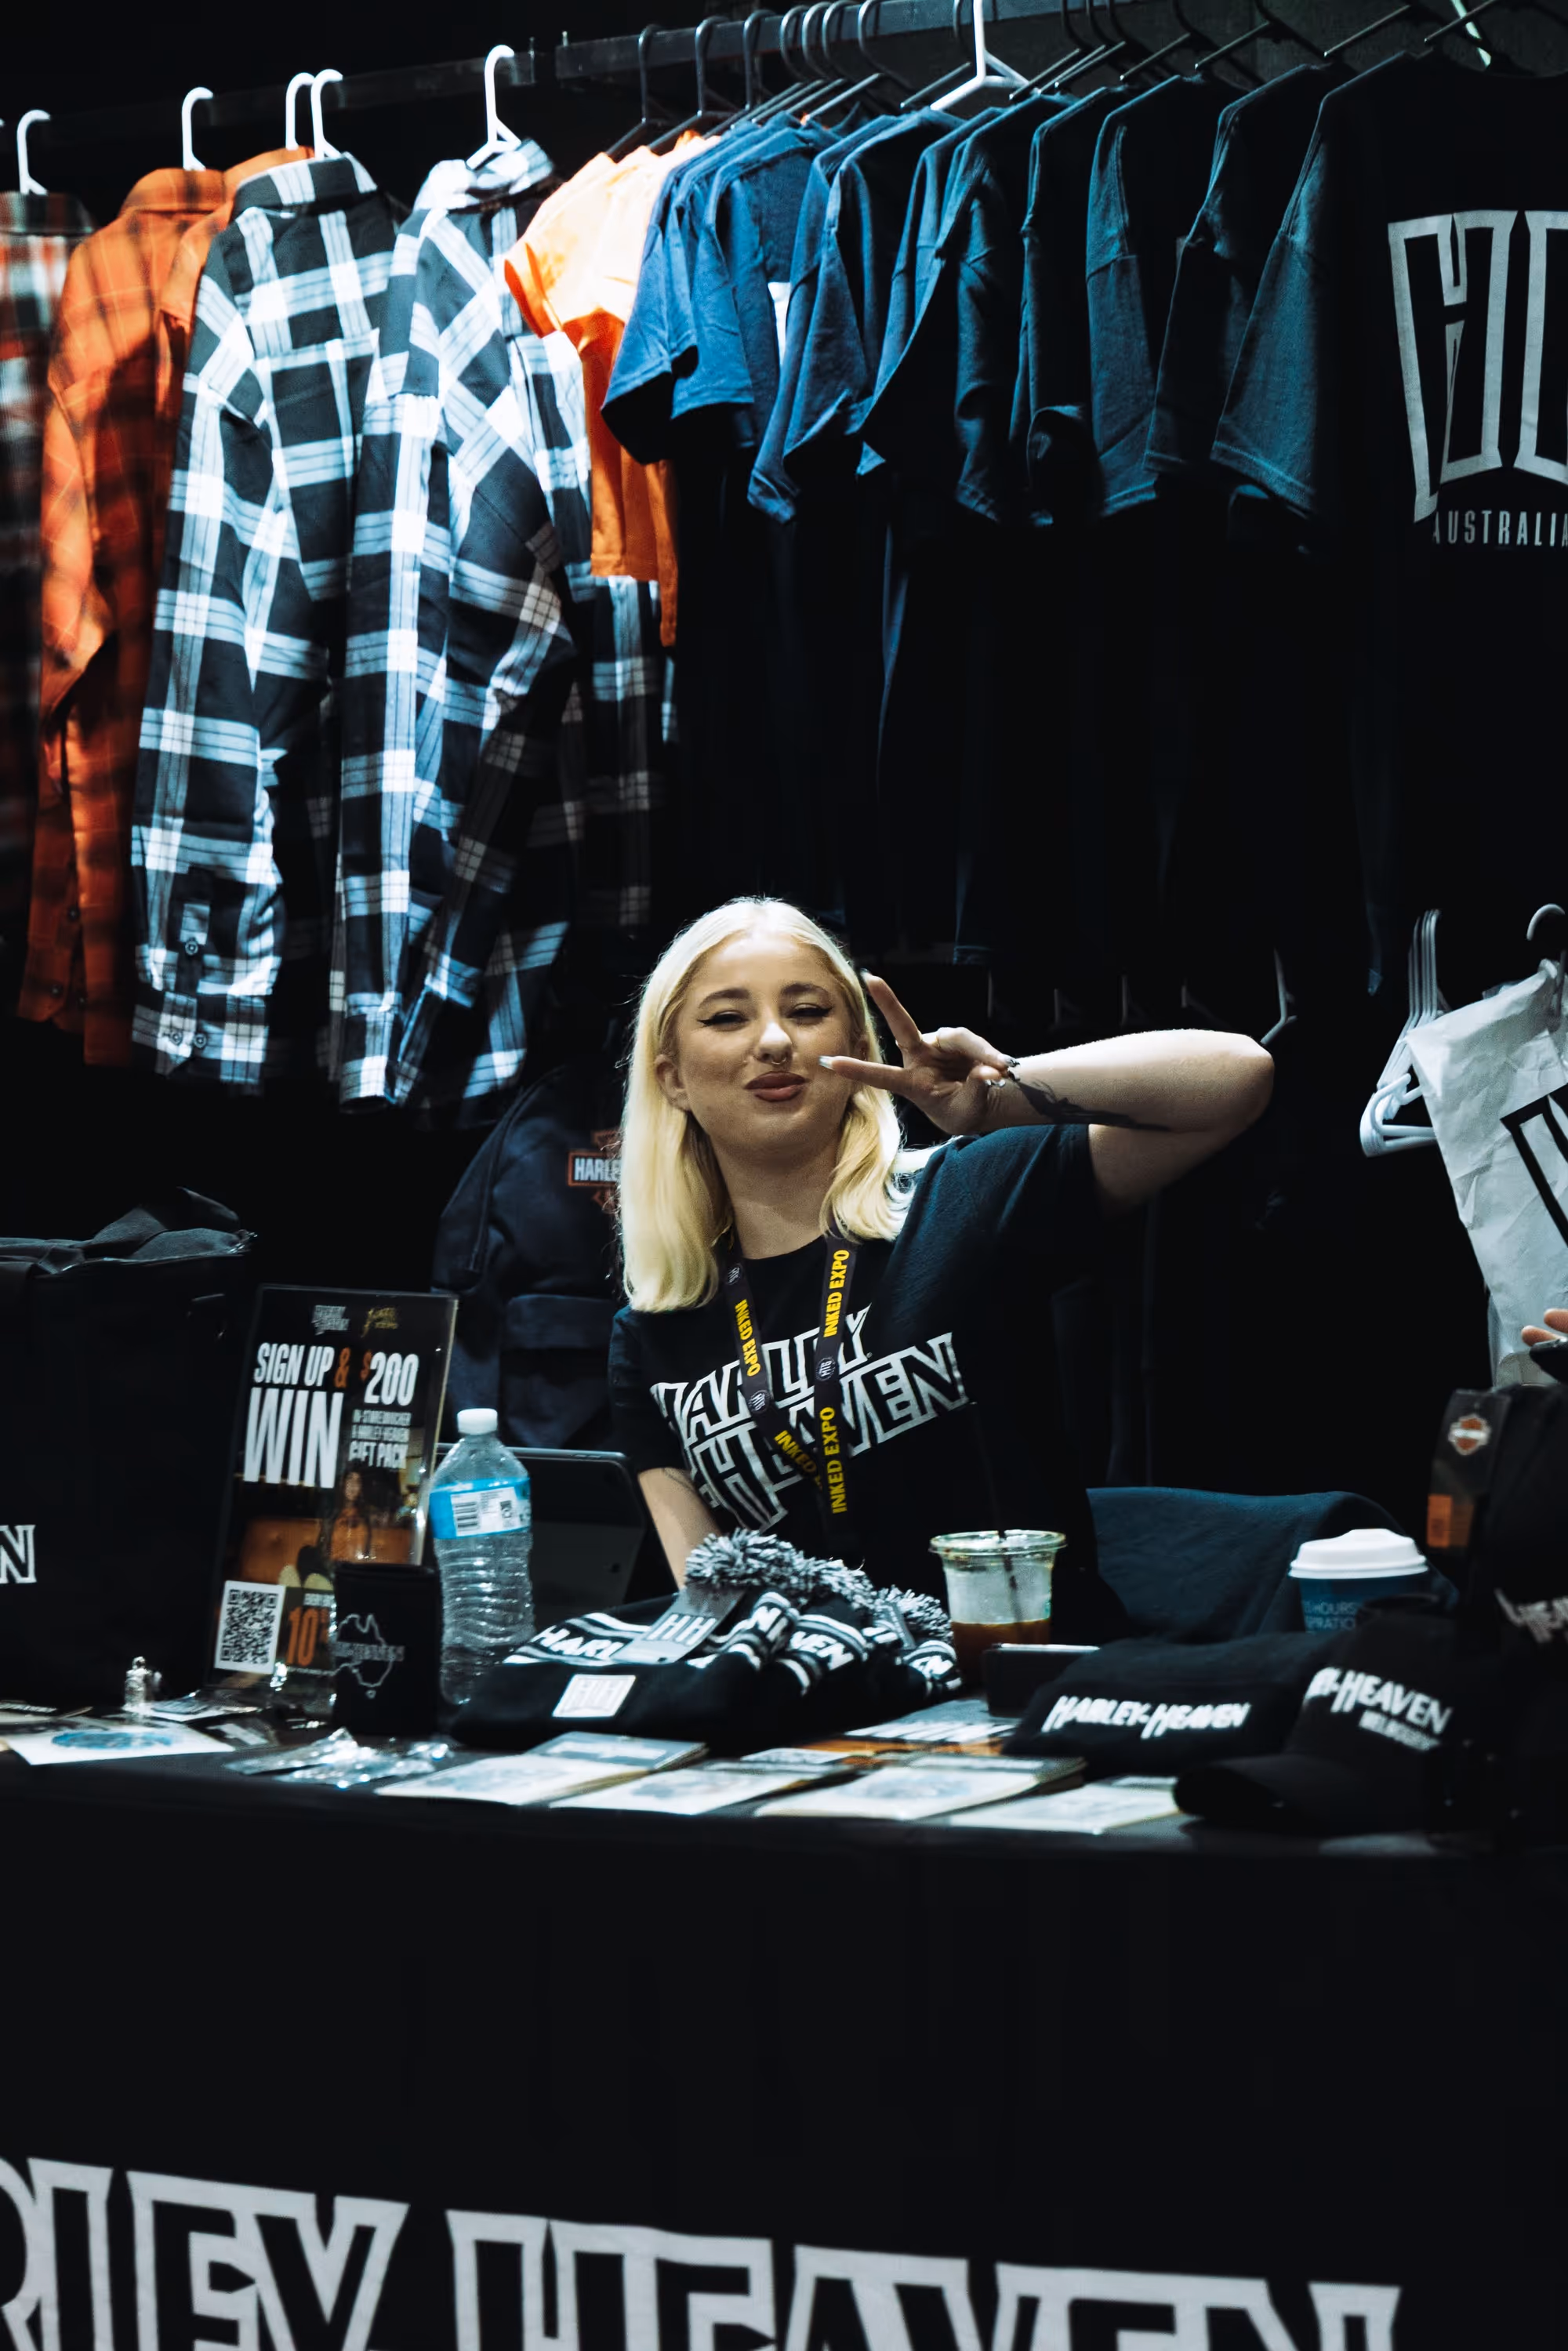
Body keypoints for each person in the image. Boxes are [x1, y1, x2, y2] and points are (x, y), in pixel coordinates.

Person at [609, 899, 1274, 1639]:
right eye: (728, 1018)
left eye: (805, 1009)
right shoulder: (651, 1334)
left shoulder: (959, 1196)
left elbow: (1237, 1076)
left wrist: (997, 1100)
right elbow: (708, 1608)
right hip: (819, 1704)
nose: (772, 1041)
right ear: (671, 1078)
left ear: (857, 1044)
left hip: (1024, 1680)